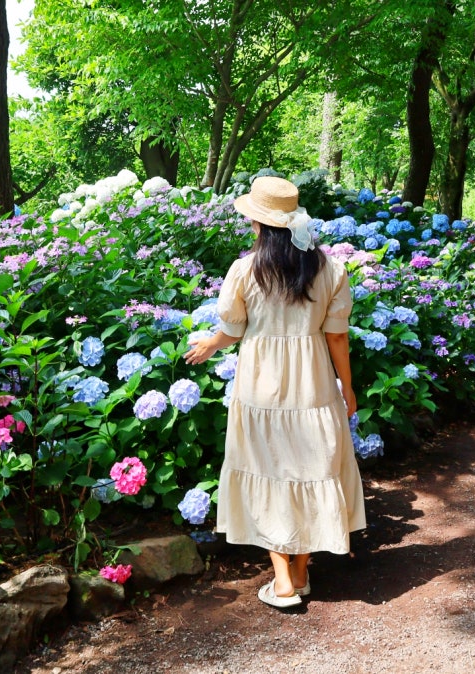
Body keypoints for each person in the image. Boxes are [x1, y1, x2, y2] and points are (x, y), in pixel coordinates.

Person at [184, 176, 366, 609]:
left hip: (260, 388)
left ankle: (283, 579)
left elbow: (232, 329)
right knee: (310, 469)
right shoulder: (330, 270)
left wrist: (212, 342)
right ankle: (300, 572)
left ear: (260, 225)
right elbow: (337, 338)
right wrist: (348, 387)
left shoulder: (245, 270)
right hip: (313, 386)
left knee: (267, 471)